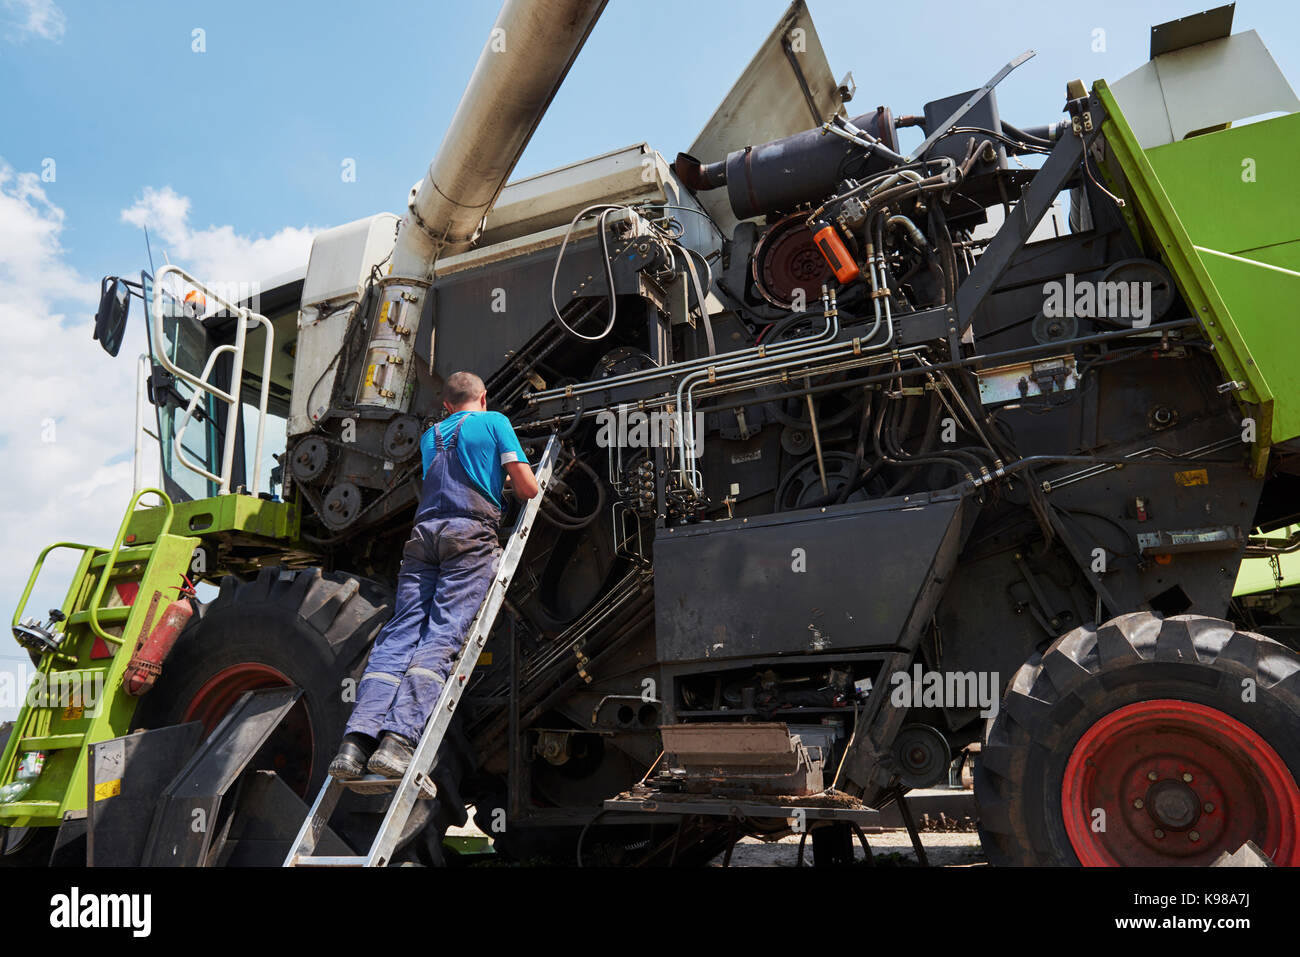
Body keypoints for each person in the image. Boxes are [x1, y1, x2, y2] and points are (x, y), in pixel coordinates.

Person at [329, 371, 539, 779]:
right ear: (484, 397)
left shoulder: (431, 436)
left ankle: (355, 744)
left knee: (400, 635)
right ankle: (397, 741)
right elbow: (528, 488)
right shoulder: (494, 422)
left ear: (445, 405)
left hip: (424, 537)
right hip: (468, 536)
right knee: (442, 634)